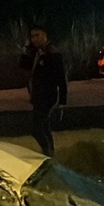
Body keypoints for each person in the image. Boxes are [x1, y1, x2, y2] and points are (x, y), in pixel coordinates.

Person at [18, 26, 67, 157]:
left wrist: (62, 100)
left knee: (36, 127)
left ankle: (48, 152)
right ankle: (50, 151)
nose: (34, 39)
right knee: (44, 125)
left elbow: (61, 77)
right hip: (37, 95)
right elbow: (24, 66)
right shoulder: (36, 52)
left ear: (45, 35)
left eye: (37, 35)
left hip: (47, 95)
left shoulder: (52, 53)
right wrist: (25, 50)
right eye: (32, 36)